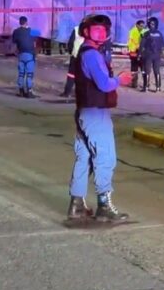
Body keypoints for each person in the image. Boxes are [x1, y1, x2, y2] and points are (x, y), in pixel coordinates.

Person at [67, 15, 131, 223]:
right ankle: (104, 205)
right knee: (105, 157)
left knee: (84, 157)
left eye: (103, 30)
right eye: (96, 29)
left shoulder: (84, 52)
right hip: (95, 113)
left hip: (84, 112)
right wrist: (119, 80)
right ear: (86, 31)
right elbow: (104, 84)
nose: (101, 33)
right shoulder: (92, 55)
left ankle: (77, 204)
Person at [12, 16, 39, 98]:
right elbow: (39, 33)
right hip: (29, 54)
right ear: (26, 22)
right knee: (29, 74)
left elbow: (14, 41)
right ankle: (29, 92)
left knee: (21, 73)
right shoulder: (31, 31)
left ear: (19, 22)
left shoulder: (16, 31)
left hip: (21, 54)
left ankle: (21, 91)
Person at [60, 18, 88, 98]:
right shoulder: (90, 31)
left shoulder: (76, 29)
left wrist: (71, 52)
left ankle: (67, 92)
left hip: (75, 55)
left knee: (71, 75)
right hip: (85, 57)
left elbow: (70, 43)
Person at [139, 17, 164, 93]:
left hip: (148, 55)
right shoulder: (159, 34)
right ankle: (158, 88)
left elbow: (142, 45)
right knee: (157, 71)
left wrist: (139, 54)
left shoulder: (146, 33)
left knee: (147, 71)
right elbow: (163, 45)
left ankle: (146, 87)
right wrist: (162, 54)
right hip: (157, 55)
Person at [127, 20, 146, 88]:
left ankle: (145, 84)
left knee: (143, 68)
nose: (142, 27)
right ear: (137, 25)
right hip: (134, 52)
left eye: (143, 26)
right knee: (134, 68)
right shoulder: (133, 31)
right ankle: (134, 83)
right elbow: (134, 41)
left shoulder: (144, 31)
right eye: (141, 26)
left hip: (141, 52)